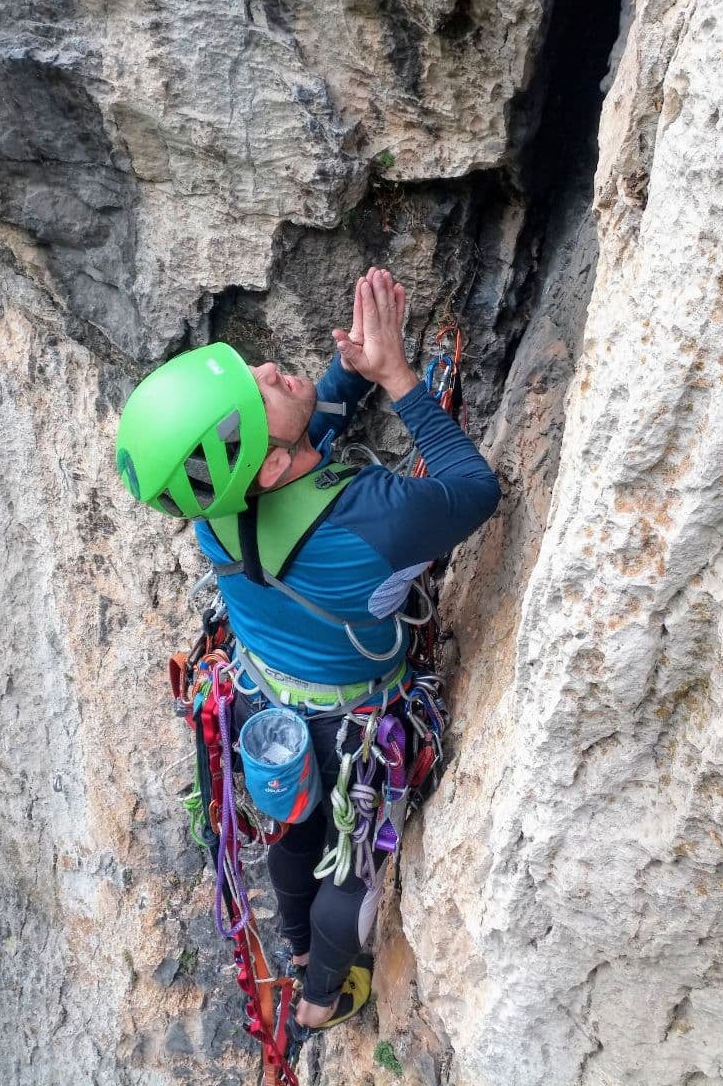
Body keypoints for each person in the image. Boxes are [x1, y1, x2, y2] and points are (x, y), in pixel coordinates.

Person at [116, 267, 500, 1035]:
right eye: (257, 391)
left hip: (264, 707)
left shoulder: (215, 507)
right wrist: (395, 377)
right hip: (355, 730)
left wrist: (345, 374)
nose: (265, 370)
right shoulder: (373, 520)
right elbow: (474, 488)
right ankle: (325, 994)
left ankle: (296, 949)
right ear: (263, 462)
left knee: (294, 829)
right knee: (351, 864)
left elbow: (300, 446)